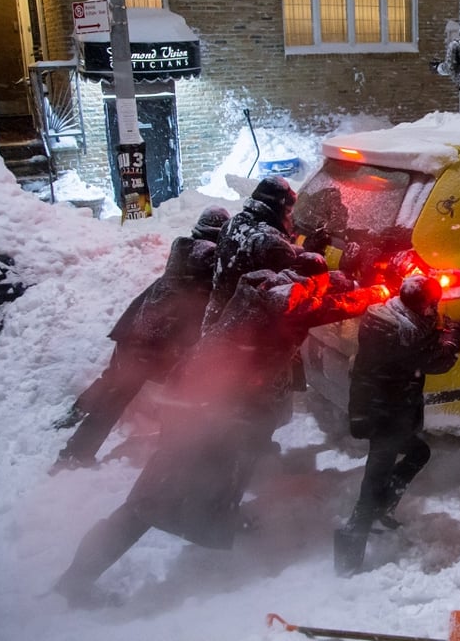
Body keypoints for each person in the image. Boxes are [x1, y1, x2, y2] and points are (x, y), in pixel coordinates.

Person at [53, 258, 388, 607]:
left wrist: (338, 280)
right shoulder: (288, 305)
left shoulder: (265, 286)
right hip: (206, 410)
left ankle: (209, 519)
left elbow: (317, 290)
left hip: (196, 397)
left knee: (184, 486)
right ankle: (75, 582)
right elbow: (331, 306)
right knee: (148, 503)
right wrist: (378, 291)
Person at [51, 207, 231, 470]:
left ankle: (75, 441)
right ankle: (183, 456)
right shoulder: (207, 259)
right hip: (155, 343)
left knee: (114, 387)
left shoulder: (184, 249)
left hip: (136, 330)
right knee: (185, 396)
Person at [334, 274, 460, 576]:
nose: (434, 310)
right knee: (377, 475)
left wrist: (446, 330)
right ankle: (351, 542)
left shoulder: (387, 315)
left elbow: (422, 342)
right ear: (421, 305)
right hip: (388, 413)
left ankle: (379, 510)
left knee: (410, 456)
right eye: (431, 305)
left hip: (377, 406)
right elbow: (438, 359)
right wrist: (454, 334)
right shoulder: (403, 333)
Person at [202, 175, 304, 330]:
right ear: (278, 208)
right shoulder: (270, 243)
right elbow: (297, 280)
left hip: (215, 319)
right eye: (289, 212)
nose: (292, 219)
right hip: (242, 332)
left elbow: (260, 246)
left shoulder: (233, 223)